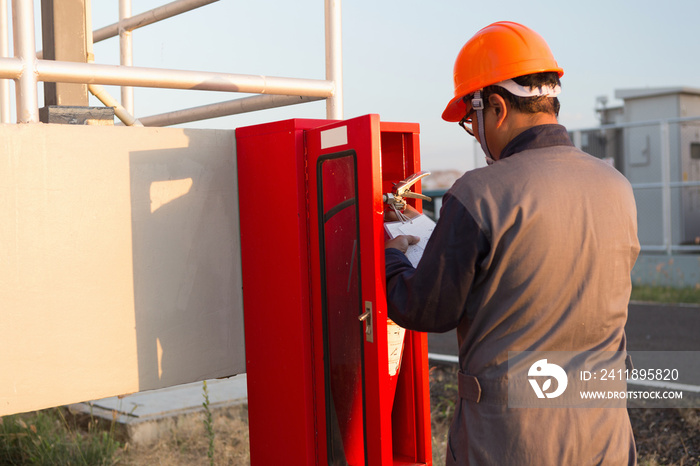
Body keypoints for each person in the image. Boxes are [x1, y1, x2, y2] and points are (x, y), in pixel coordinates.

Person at [385, 21, 640, 465]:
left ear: (496, 107)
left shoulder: (479, 193)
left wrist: (392, 255)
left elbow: (424, 308)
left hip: (510, 441)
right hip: (605, 436)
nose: (475, 132)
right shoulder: (617, 185)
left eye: (471, 120)